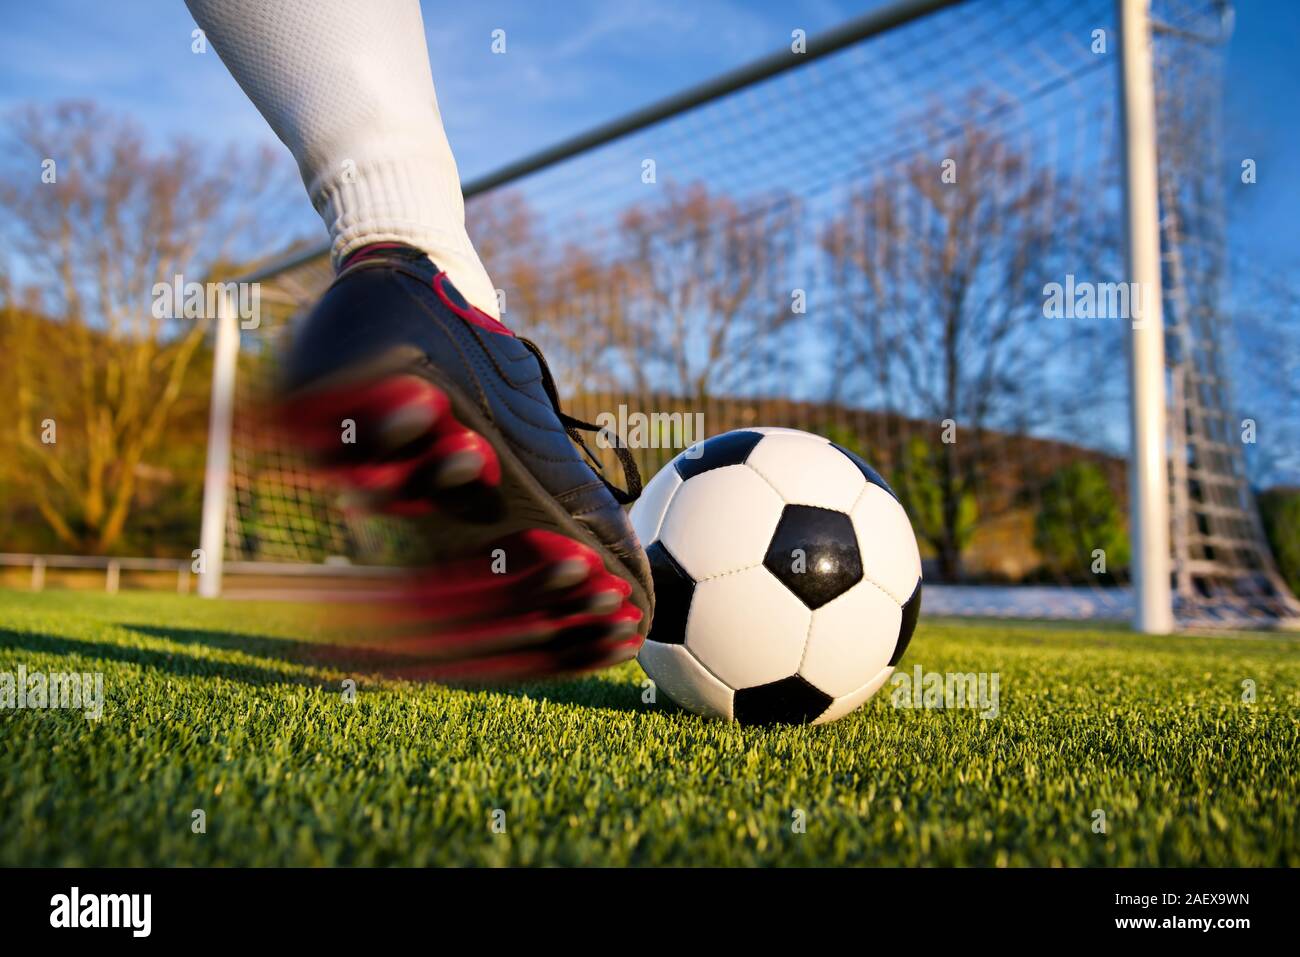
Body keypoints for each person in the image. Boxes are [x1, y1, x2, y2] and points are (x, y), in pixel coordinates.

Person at [184, 0, 652, 678]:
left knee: (391, 244)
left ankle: (401, 279)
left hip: (374, 318)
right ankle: (432, 288)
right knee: (410, 253)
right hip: (407, 312)